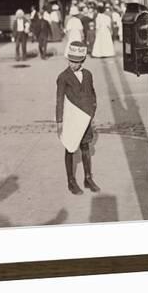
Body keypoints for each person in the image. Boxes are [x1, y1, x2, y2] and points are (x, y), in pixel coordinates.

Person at [55, 41, 100, 195]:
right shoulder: (63, 77)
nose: (73, 64)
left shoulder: (88, 74)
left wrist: (92, 110)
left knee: (85, 146)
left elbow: (92, 93)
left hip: (85, 118)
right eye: (70, 61)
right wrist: (59, 121)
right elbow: (59, 99)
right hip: (71, 119)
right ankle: (71, 181)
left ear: (83, 61)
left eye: (76, 61)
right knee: (70, 147)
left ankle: (88, 178)